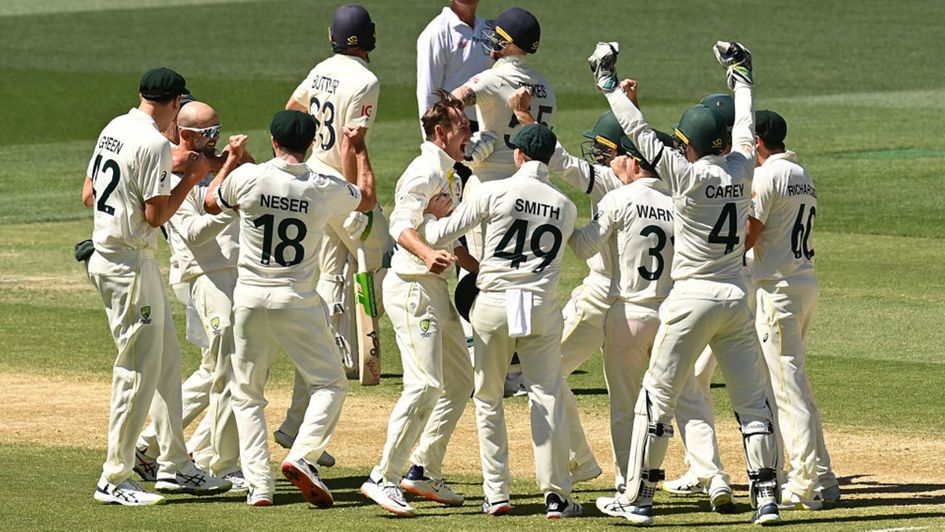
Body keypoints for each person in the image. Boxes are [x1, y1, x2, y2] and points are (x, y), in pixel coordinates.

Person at [588, 41, 782, 525]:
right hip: (736, 298)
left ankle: (637, 498)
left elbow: (635, 131)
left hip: (691, 298)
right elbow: (744, 123)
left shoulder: (686, 177)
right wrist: (741, 75)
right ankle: (767, 499)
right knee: (751, 402)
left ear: (692, 145)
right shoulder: (741, 168)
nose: (681, 148)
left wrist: (608, 84)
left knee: (656, 398)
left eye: (684, 142)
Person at [204, 110, 375, 506]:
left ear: (272, 140)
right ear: (313, 143)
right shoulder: (322, 184)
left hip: (248, 297)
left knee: (247, 394)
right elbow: (365, 198)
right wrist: (359, 149)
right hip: (296, 298)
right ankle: (303, 456)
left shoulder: (249, 177)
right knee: (330, 384)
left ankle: (260, 487)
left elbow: (212, 202)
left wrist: (230, 160)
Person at [82, 67, 231, 506]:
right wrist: (189, 176)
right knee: (138, 370)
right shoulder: (150, 142)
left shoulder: (116, 127)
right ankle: (114, 477)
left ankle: (177, 465)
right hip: (128, 263)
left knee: (165, 363)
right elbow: (155, 216)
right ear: (173, 102)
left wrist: (179, 168)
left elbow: (90, 194)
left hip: (118, 256)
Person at [421, 124, 582, 519]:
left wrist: (429, 215)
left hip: (493, 304)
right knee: (546, 396)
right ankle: (557, 496)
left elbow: (442, 235)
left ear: (520, 156)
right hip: (541, 307)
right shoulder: (566, 205)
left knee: (488, 398)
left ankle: (496, 494)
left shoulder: (493, 191)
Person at [360, 91, 477, 517]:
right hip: (411, 287)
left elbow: (452, 237)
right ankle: (382, 477)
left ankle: (423, 469)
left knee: (461, 380)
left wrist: (477, 268)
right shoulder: (424, 170)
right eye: (463, 128)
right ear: (441, 132)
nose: (469, 134)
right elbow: (399, 225)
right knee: (425, 384)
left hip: (435, 289)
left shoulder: (452, 174)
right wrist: (427, 254)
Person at [281, 4, 392, 447]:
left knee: (330, 276)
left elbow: (293, 108)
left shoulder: (323, 68)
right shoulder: (366, 80)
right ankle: (355, 337)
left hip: (316, 182)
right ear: (370, 37)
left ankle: (332, 341)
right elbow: (353, 140)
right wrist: (354, 199)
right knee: (388, 260)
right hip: (343, 190)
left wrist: (312, 155)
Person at [132, 101, 251, 492]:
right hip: (203, 278)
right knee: (228, 372)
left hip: (228, 275)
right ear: (186, 135)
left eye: (218, 131)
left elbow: (258, 179)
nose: (216, 140)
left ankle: (148, 445)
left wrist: (239, 161)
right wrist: (229, 204)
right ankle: (223, 462)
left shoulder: (212, 163)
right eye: (209, 134)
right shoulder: (171, 173)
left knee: (214, 369)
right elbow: (197, 233)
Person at [567, 130, 677, 503]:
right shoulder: (680, 201)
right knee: (661, 405)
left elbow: (583, 248)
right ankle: (664, 480)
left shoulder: (619, 197)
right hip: (671, 313)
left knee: (625, 406)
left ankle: (628, 487)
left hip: (628, 312)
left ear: (632, 160)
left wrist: (564, 221)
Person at [748, 110, 840, 509]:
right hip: (803, 284)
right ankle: (823, 475)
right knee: (794, 384)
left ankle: (804, 483)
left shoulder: (768, 175)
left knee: (788, 390)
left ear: (757, 143)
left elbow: (750, 233)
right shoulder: (802, 173)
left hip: (779, 291)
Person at [416, 0, 490, 130]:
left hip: (488, 125)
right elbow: (428, 93)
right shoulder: (436, 32)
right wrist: (431, 141)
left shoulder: (487, 30)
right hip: (454, 126)